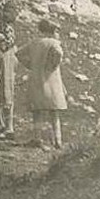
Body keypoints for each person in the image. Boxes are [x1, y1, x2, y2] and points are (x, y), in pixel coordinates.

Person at [16, 18, 68, 148]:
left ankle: (37, 138)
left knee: (37, 111)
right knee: (54, 112)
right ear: (53, 31)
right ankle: (58, 140)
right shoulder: (54, 43)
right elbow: (59, 54)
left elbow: (19, 53)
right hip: (52, 81)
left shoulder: (34, 42)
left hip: (36, 80)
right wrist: (51, 65)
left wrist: (30, 65)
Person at [0, 0, 18, 141]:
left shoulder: (7, 2)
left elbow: (11, 18)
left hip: (6, 52)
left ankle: (9, 126)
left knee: (6, 88)